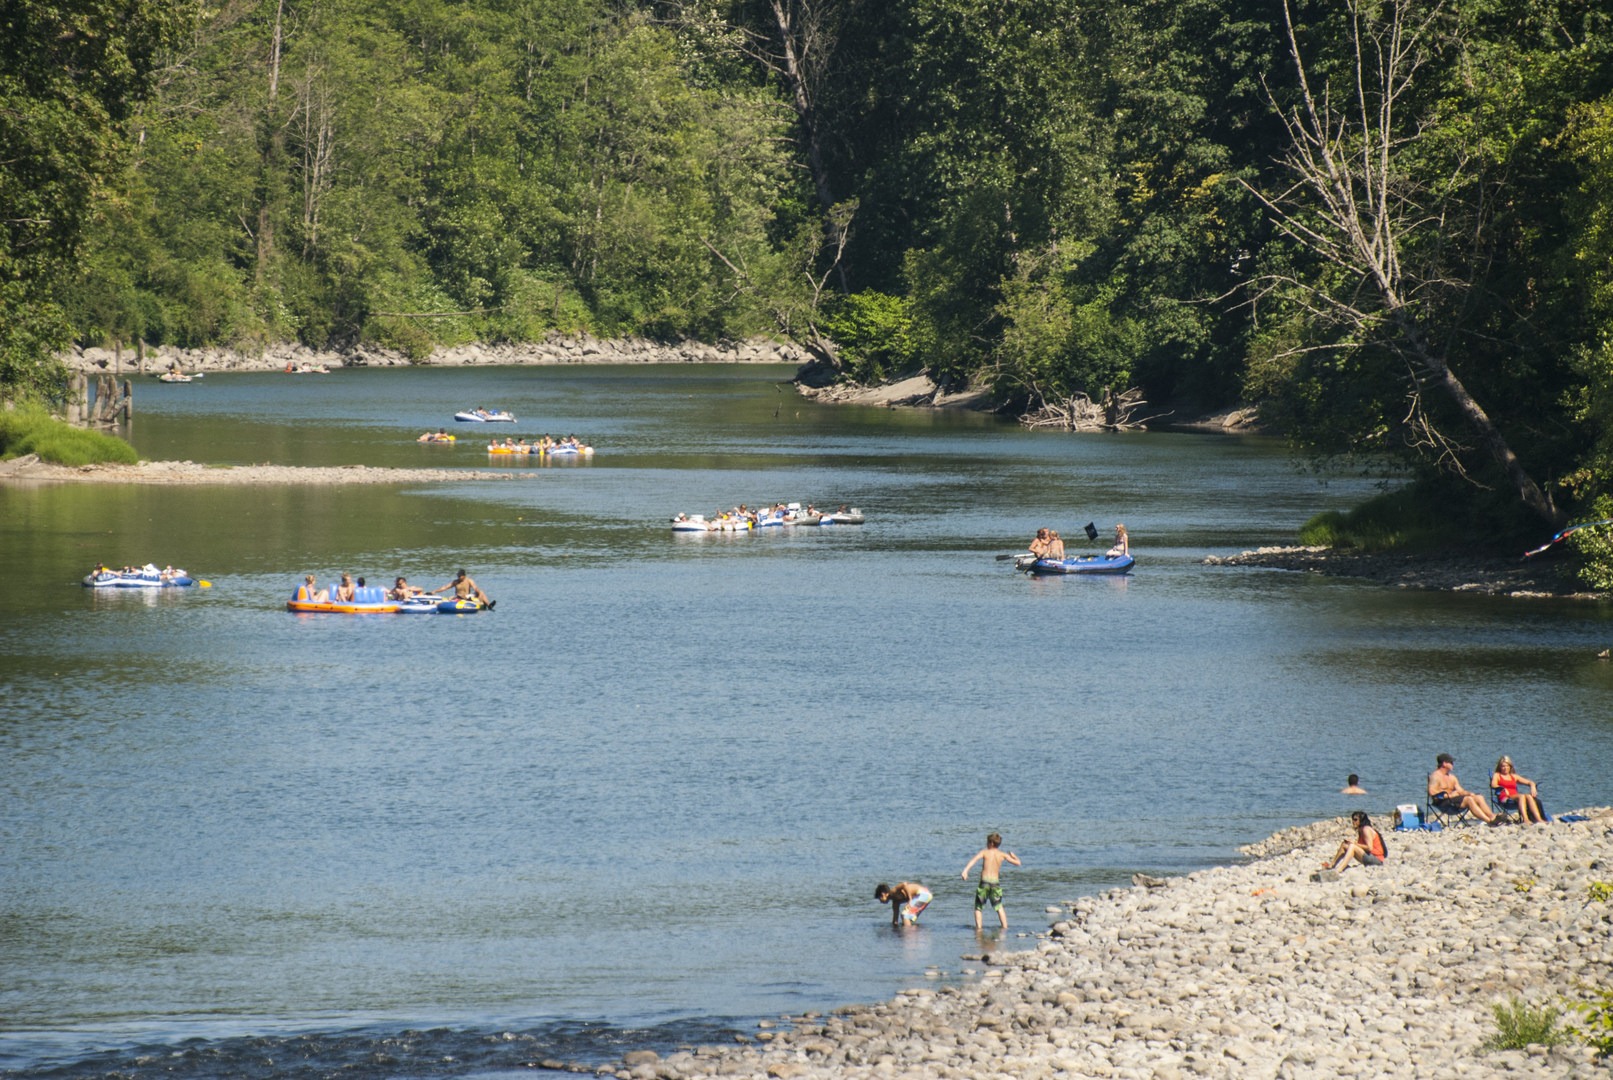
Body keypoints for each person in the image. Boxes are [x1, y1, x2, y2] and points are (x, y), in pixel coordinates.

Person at [961, 832, 1022, 931]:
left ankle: (979, 929)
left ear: (991, 843)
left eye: (987, 842)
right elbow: (1018, 863)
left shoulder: (984, 852)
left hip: (984, 882)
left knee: (978, 907)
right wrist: (1014, 856)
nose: (986, 844)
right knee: (999, 906)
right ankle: (1005, 927)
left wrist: (965, 871)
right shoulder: (1002, 854)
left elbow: (973, 860)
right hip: (995, 883)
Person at [1428, 753, 1497, 824]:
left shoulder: (1452, 777)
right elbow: (1432, 792)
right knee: (1468, 799)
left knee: (1479, 797)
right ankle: (1489, 821)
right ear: (1444, 763)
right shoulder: (1435, 776)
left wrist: (1469, 793)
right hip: (1443, 803)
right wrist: (1449, 796)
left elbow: (1460, 791)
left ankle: (1492, 817)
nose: (1453, 764)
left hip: (1454, 802)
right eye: (1451, 762)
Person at [1323, 811, 1388, 870]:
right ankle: (1331, 865)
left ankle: (1339, 869)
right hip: (1369, 856)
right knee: (1344, 844)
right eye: (1353, 819)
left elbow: (1369, 848)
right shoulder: (1361, 830)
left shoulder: (1366, 829)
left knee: (1352, 846)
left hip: (1376, 860)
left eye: (1355, 819)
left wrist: (1354, 843)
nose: (1353, 821)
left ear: (1361, 820)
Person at [1492, 756, 1547, 824]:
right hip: (1505, 799)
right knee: (1521, 796)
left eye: (1507, 766)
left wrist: (1532, 786)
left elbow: (1529, 782)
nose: (1505, 768)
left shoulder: (1514, 776)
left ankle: (1538, 819)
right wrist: (1502, 788)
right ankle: (1526, 819)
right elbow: (1493, 784)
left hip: (1515, 798)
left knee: (1528, 796)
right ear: (1500, 767)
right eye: (1503, 766)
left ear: (1510, 767)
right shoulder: (1497, 775)